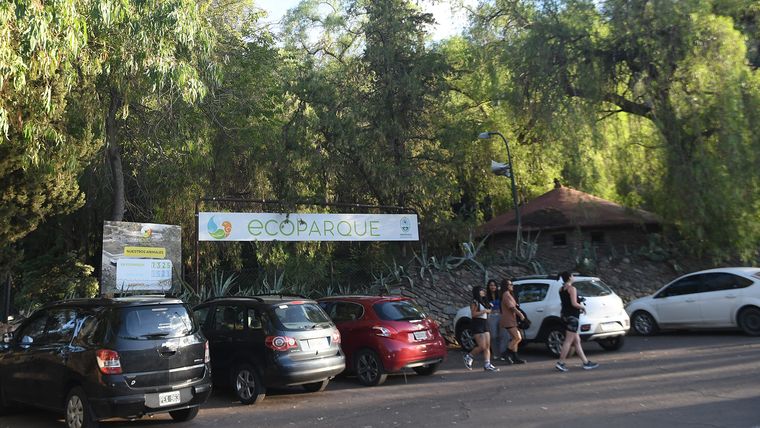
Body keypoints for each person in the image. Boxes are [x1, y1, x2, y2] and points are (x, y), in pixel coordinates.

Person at [555, 271, 599, 372]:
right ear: (570, 277)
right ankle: (560, 363)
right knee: (568, 341)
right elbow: (574, 303)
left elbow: (564, 303)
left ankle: (586, 362)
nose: (574, 277)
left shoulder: (561, 289)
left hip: (565, 315)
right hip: (573, 317)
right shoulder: (572, 289)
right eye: (572, 276)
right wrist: (582, 307)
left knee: (577, 341)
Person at [463, 285, 499, 372]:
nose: (483, 292)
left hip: (484, 323)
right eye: (481, 290)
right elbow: (473, 314)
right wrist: (484, 311)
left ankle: (487, 364)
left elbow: (488, 311)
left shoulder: (484, 301)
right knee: (482, 346)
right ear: (477, 292)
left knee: (487, 346)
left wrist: (489, 310)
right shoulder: (475, 302)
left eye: (483, 290)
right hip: (477, 324)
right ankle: (469, 356)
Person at [499, 278, 526, 364]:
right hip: (509, 320)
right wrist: (520, 314)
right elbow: (512, 307)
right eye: (510, 284)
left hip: (511, 319)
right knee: (518, 338)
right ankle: (505, 353)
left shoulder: (508, 294)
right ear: (506, 286)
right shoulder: (506, 295)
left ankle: (515, 357)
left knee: (514, 338)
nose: (512, 286)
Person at [485, 280, 503, 360]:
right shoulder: (486, 297)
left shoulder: (500, 294)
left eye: (494, 285)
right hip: (491, 316)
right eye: (491, 285)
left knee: (501, 335)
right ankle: (495, 353)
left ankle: (502, 353)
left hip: (500, 315)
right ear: (488, 287)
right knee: (494, 336)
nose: (493, 287)